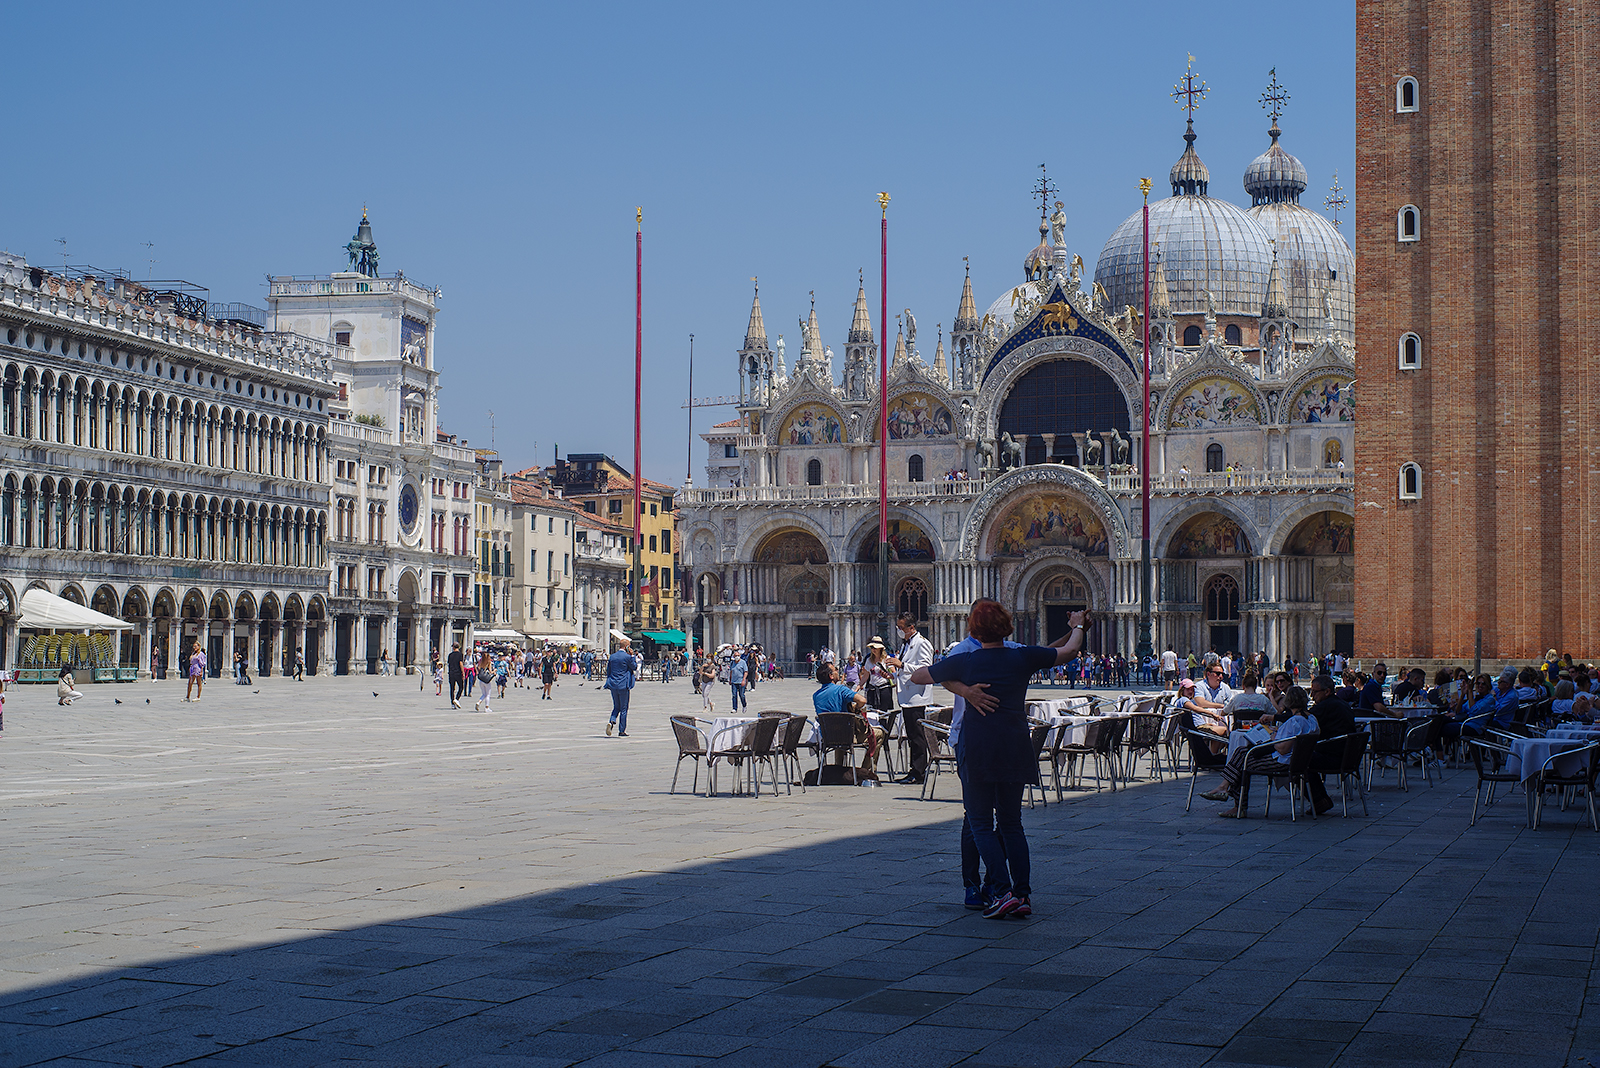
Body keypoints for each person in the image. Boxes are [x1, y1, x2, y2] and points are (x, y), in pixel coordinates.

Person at [912, 602, 1089, 920]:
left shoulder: (966, 660)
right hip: (1015, 746)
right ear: (1008, 626)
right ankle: (1022, 895)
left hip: (980, 748)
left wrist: (962, 685)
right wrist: (1077, 625)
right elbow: (1069, 651)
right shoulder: (1021, 656)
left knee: (980, 823)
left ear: (972, 630)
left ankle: (1001, 891)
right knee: (1011, 824)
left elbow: (919, 675)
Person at [1201, 685, 1331, 817]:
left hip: (1284, 761)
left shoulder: (1295, 721)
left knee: (1241, 760)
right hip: (1300, 761)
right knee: (1242, 753)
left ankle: (1234, 801)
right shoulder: (1311, 719)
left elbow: (1283, 749)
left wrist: (1274, 737)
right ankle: (1226, 790)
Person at [888, 612, 934, 785]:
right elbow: (904, 670)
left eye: (901, 628)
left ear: (911, 627)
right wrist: (893, 674)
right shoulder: (907, 644)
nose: (899, 631)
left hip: (917, 697)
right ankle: (914, 770)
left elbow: (925, 668)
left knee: (917, 737)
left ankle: (919, 772)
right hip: (907, 697)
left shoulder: (922, 644)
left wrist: (902, 665)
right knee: (911, 735)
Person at [813, 661, 879, 778]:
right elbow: (862, 700)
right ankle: (865, 771)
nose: (838, 672)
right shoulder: (841, 690)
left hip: (828, 737)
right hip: (846, 736)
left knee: (838, 730)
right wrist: (855, 708)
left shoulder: (816, 695)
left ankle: (839, 769)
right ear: (831, 676)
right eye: (835, 670)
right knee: (879, 734)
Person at [604, 639, 638, 736]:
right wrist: (632, 656)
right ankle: (621, 730)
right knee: (623, 708)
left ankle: (612, 721)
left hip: (613, 684)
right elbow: (634, 667)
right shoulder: (627, 657)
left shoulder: (612, 656)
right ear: (627, 646)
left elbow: (608, 670)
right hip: (623, 684)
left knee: (616, 706)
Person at [446, 643, 465, 708]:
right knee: (461, 687)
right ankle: (456, 699)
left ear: (453, 647)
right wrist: (463, 672)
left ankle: (452, 703)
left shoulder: (450, 655)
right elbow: (460, 663)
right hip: (458, 673)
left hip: (451, 673)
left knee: (452, 688)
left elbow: (449, 664)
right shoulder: (460, 654)